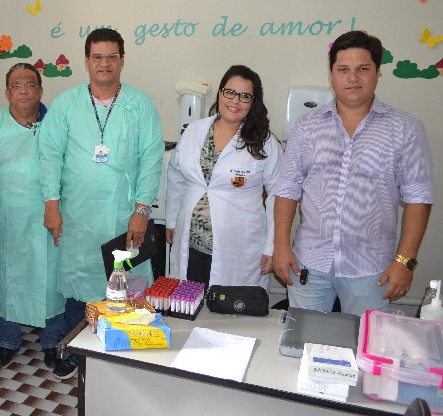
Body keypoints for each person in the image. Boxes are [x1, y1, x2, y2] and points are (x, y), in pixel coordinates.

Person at [273, 30, 434, 316]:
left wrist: (405, 261)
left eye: (363, 69)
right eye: (343, 69)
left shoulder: (406, 129)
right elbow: (287, 189)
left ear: (377, 73)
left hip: (371, 270)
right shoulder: (306, 126)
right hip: (309, 263)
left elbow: (418, 198)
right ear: (331, 74)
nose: (352, 78)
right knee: (305, 339)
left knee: (364, 342)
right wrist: (281, 247)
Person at [38, 28, 164, 380]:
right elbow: (49, 155)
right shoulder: (67, 104)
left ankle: (122, 353)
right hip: (77, 214)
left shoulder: (139, 104)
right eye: (97, 57)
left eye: (111, 57)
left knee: (125, 281)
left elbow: (152, 158)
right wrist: (51, 203)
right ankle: (74, 351)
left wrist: (141, 211)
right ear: (86, 61)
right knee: (78, 282)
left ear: (122, 60)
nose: (104, 63)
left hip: (124, 216)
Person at [0, 63, 65, 370]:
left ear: (40, 90)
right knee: (8, 282)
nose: (23, 90)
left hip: (50, 220)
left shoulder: (56, 126)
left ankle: (51, 340)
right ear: (7, 92)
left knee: (51, 283)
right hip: (7, 222)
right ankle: (8, 340)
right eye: (16, 85)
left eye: (30, 84)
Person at [165, 65, 283, 291]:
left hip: (239, 248)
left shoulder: (264, 142)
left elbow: (278, 195)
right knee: (189, 302)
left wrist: (272, 246)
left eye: (244, 96)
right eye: (230, 92)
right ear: (220, 93)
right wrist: (171, 221)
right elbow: (176, 176)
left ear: (253, 102)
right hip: (191, 244)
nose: (235, 101)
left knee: (230, 307)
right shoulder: (194, 130)